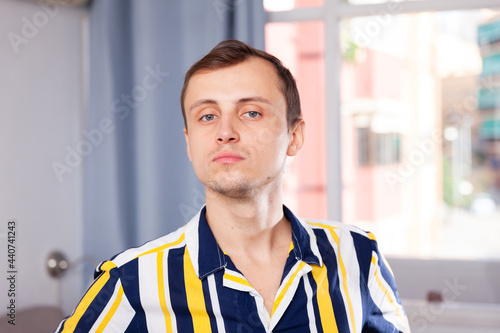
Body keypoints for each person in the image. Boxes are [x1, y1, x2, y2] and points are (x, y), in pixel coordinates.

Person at [55, 39, 409, 333]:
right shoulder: (130, 282)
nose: (225, 131)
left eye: (251, 112)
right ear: (190, 143)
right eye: (207, 116)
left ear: (294, 136)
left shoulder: (358, 256)